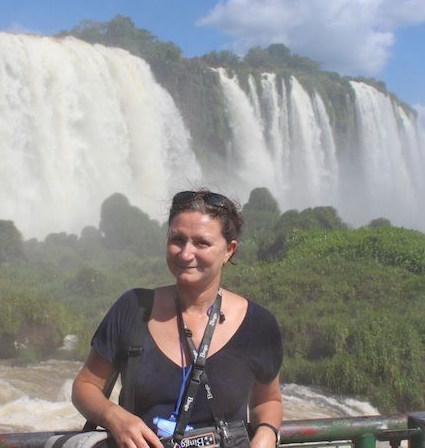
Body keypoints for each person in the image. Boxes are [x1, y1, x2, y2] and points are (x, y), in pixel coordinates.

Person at [72, 190, 283, 448]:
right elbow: (85, 386)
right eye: (177, 239)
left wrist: (267, 433)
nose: (185, 253)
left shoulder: (258, 325)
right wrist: (114, 416)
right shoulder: (134, 309)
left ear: (229, 250)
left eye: (201, 243)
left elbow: (267, 401)